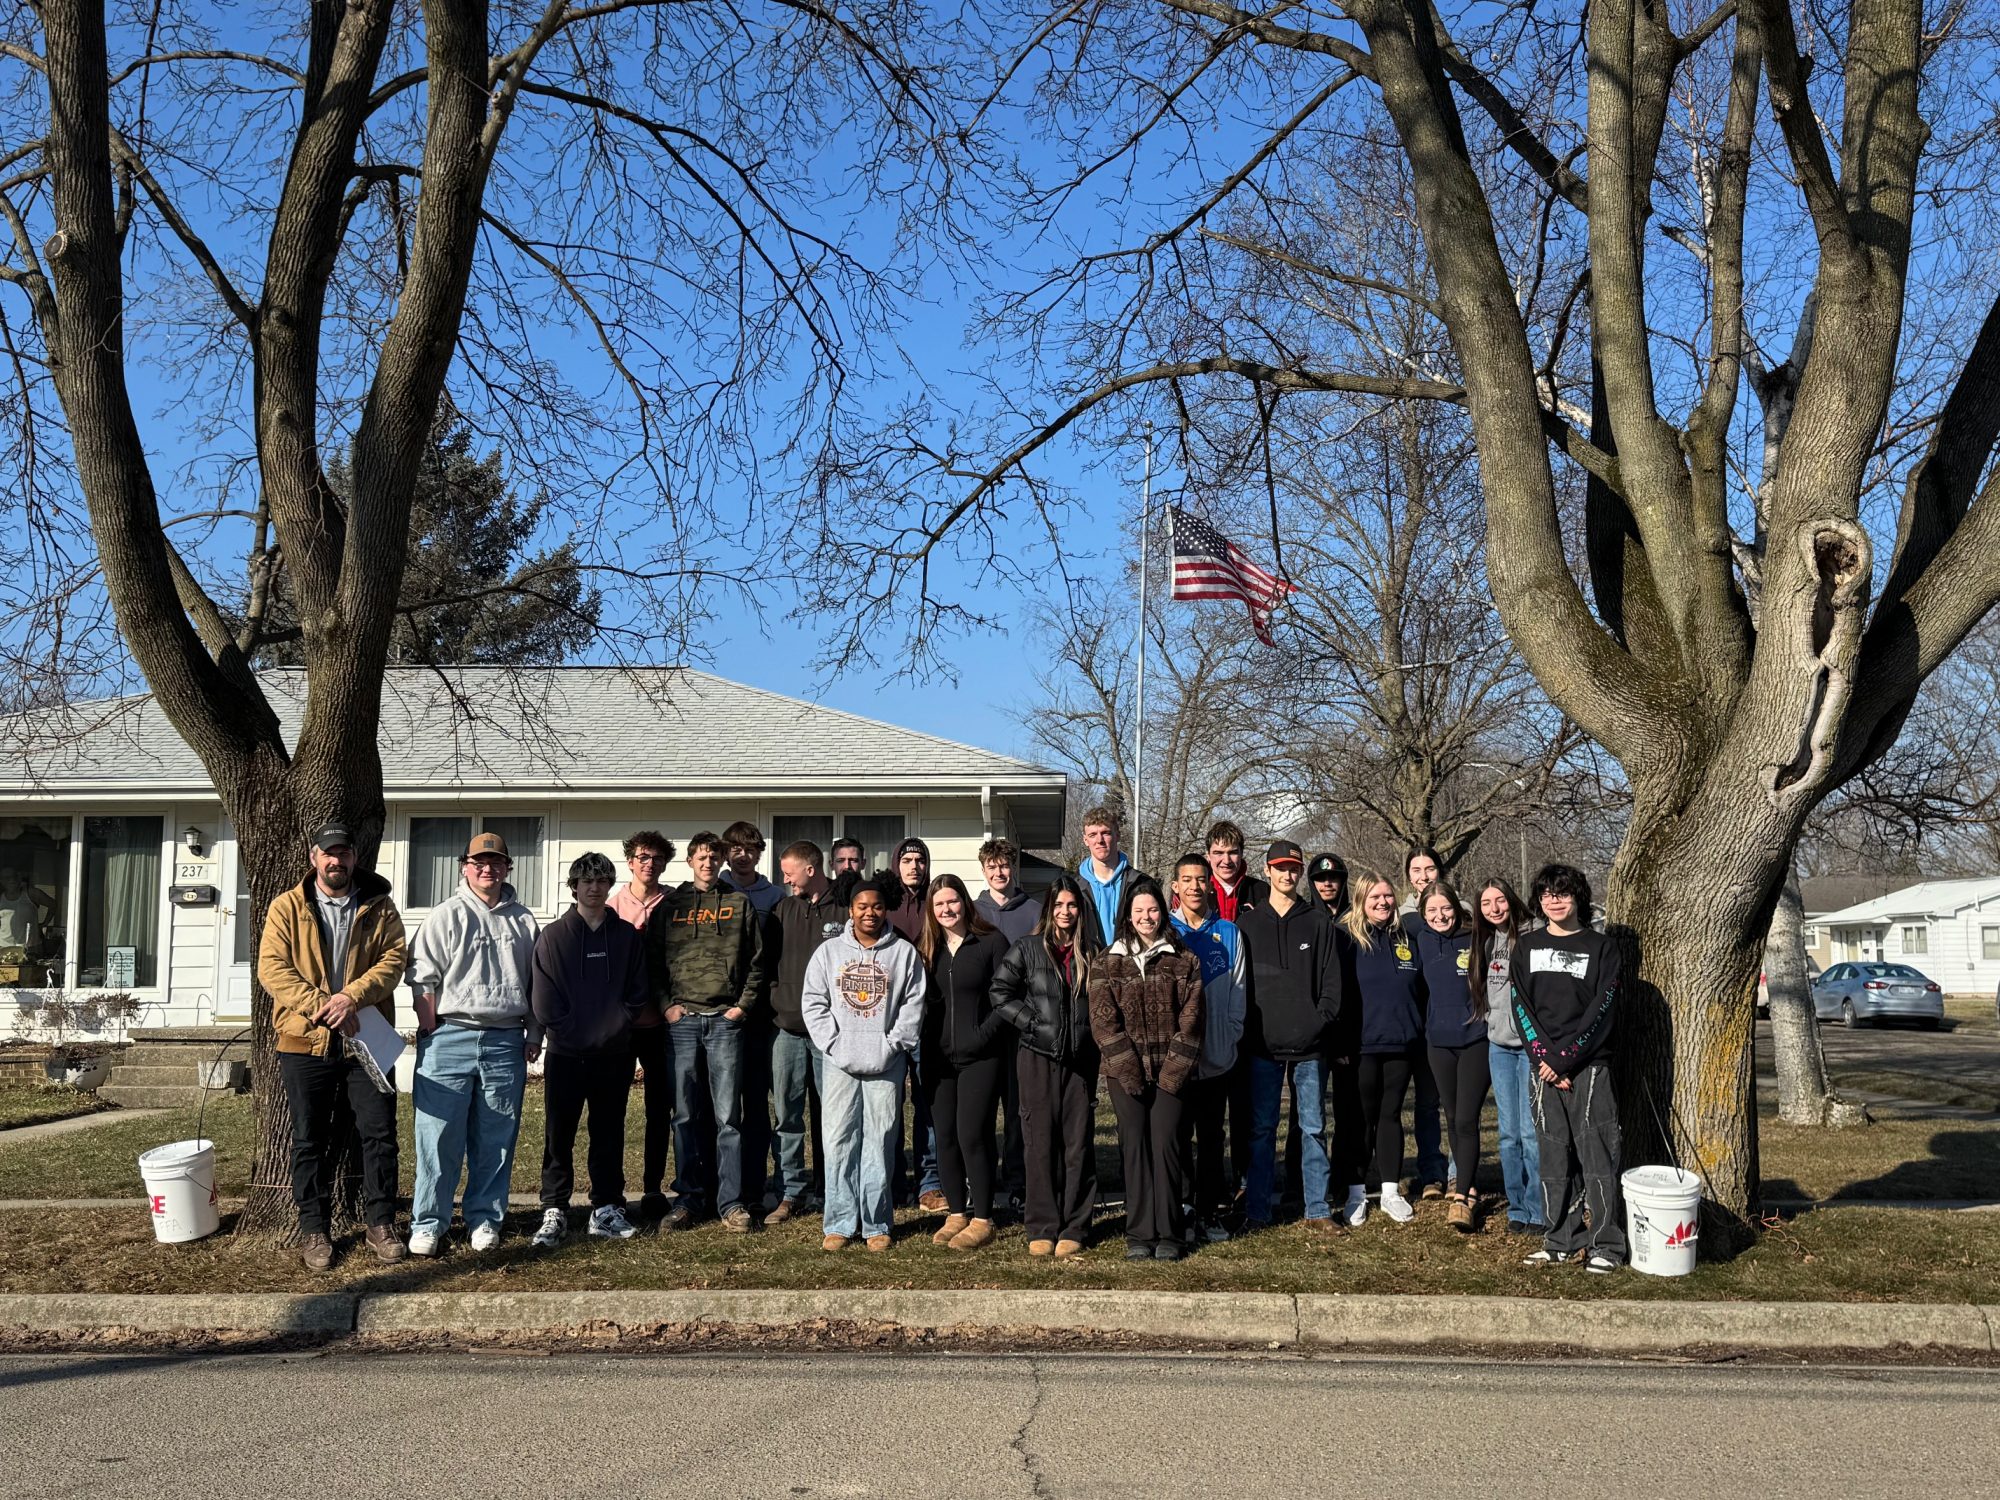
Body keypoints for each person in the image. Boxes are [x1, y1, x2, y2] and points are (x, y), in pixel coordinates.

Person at [257, 824, 409, 1270]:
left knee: (379, 1135)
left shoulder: (379, 906)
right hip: (304, 1040)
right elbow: (273, 969)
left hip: (368, 1039)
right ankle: (314, 1229)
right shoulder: (286, 907)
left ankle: (380, 1223)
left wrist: (351, 998)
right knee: (308, 1139)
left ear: (354, 857)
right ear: (313, 858)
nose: (336, 861)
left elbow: (393, 961)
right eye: (328, 854)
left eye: (343, 853)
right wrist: (324, 1006)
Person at [405, 830, 540, 1256]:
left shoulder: (523, 920)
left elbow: (538, 986)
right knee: (437, 1136)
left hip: (505, 1039)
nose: (488, 869)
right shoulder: (445, 915)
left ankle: (484, 1218)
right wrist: (430, 1027)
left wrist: (534, 1034)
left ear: (507, 868)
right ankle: (429, 1222)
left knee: (496, 1137)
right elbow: (421, 975)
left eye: (496, 862)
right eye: (479, 862)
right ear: (465, 867)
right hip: (449, 1036)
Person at [647, 831, 771, 1232]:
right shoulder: (672, 905)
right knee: (684, 1114)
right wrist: (667, 1006)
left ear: (720, 861)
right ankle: (688, 1198)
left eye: (713, 857)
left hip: (724, 1022)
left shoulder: (738, 904)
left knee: (727, 1117)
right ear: (690, 860)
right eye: (701, 856)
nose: (707, 863)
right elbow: (653, 961)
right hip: (682, 1024)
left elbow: (757, 961)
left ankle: (731, 1203)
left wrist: (742, 1008)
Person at [801, 876, 927, 1252]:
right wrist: (835, 1044)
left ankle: (876, 1223)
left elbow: (913, 1003)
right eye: (861, 906)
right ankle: (839, 1222)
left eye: (876, 906)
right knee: (838, 1140)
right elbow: (814, 1002)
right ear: (850, 910)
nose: (869, 913)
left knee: (880, 1140)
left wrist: (893, 1045)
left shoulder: (903, 954)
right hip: (839, 1062)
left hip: (885, 1063)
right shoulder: (828, 953)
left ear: (885, 908)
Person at [530, 853, 649, 1247]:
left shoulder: (627, 937)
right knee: (558, 1133)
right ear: (574, 887)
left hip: (613, 1055)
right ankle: (554, 1208)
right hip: (566, 1054)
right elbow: (545, 1002)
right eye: (586, 882)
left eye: (601, 881)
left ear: (609, 886)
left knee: (608, 1132)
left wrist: (609, 1031)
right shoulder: (553, 937)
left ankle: (606, 1208)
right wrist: (574, 1035)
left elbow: (636, 994)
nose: (594, 888)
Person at [1512, 863, 1626, 1272]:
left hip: (1589, 1066)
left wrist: (1565, 1059)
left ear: (1578, 896)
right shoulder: (1525, 948)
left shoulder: (1601, 947)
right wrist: (1544, 1058)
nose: (1553, 901)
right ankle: (1560, 1238)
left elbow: (1603, 1009)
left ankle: (1607, 1245)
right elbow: (1521, 1007)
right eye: (1545, 895)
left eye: (1561, 893)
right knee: (1553, 1157)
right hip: (1543, 1068)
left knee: (1597, 1157)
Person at [1089, 877, 1204, 1261]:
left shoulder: (1184, 960)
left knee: (1168, 1146)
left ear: (1163, 910)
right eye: (1138, 911)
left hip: (1172, 1072)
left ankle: (1170, 1232)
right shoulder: (1108, 962)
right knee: (1135, 1148)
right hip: (1126, 1075)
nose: (1146, 917)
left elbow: (1192, 1019)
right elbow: (1103, 1023)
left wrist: (1173, 1071)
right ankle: (1139, 1231)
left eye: (1152, 909)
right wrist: (1128, 1068)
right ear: (1128, 915)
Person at [1234, 841, 1343, 1231]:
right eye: (1280, 868)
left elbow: (1332, 985)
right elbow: (1238, 986)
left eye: (1294, 868)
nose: (1287, 874)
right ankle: (1258, 1210)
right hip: (1262, 1047)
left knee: (1313, 1128)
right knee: (1261, 1130)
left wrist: (1318, 1022)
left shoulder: (1317, 922)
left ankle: (1317, 1208)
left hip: (1310, 1047)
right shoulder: (1246, 925)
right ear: (1267, 871)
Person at [992, 874, 1103, 1257]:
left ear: (1080, 910)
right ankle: (1041, 1224)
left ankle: (1075, 1225)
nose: (1066, 912)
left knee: (1077, 1145)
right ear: (1049, 909)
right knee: (1039, 1143)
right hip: (1037, 1057)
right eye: (1059, 905)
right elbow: (999, 992)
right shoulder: (1027, 948)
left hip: (1081, 1060)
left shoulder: (1094, 951)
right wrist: (1030, 1023)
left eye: (1072, 905)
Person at [918, 873, 1012, 1250]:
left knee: (973, 1135)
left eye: (952, 901)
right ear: (931, 909)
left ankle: (983, 1217)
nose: (946, 909)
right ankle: (956, 1212)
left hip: (981, 1057)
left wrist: (981, 1035)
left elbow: (1007, 997)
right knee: (945, 1137)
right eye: (939, 904)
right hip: (938, 1060)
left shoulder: (990, 942)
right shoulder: (926, 948)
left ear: (965, 903)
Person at [767, 840, 855, 1222]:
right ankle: (791, 1191)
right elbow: (765, 961)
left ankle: (830, 1188)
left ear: (811, 868)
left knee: (831, 1116)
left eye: (790, 872)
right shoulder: (782, 910)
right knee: (787, 1115)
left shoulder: (844, 910)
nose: (785, 879)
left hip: (831, 1033)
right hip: (785, 1029)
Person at [1167, 854, 1245, 1243]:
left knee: (1212, 1138)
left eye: (1201, 880)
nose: (1195, 886)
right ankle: (1183, 1208)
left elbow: (1239, 992)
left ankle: (1210, 1210)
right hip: (1176, 1060)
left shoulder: (1229, 932)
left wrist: (1229, 1035)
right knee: (1178, 1136)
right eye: (1187, 880)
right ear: (1175, 887)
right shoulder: (1163, 931)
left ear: (1209, 884)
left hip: (1216, 1056)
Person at [1343, 871, 1425, 1226]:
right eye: (1375, 897)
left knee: (1390, 1116)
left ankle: (1390, 1191)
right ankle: (1356, 1193)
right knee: (1359, 1119)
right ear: (1361, 900)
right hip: (1360, 1045)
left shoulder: (1408, 935)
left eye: (1388, 896)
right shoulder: (1346, 939)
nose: (1383, 902)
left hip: (1402, 1041)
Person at [611, 830, 677, 1218]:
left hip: (662, 1024)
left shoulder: (673, 903)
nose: (648, 863)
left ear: (664, 863)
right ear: (630, 862)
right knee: (613, 1109)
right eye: (642, 857)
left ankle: (653, 1187)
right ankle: (614, 1189)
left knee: (660, 1109)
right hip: (622, 1026)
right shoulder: (612, 905)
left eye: (656, 858)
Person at [1416, 881, 1488, 1233]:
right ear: (1422, 914)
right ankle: (1467, 1183)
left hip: (1475, 1038)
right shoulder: (1421, 939)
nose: (1439, 915)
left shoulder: (1476, 937)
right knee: (1450, 1114)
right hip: (1438, 1041)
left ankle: (1463, 1197)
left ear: (1456, 909)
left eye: (1445, 908)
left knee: (1466, 1119)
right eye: (1431, 910)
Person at [974, 837, 1039, 1215]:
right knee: (981, 1107)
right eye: (993, 867)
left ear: (1014, 868)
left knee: (1017, 1108)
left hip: (1021, 1024)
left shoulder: (1034, 911)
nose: (1000, 873)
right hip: (983, 1023)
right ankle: (981, 1178)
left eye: (1005, 866)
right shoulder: (973, 910)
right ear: (984, 871)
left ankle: (1017, 1181)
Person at [719, 820, 781, 1212]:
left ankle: (756, 1188)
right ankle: (723, 1187)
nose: (743, 855)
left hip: (760, 1015)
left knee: (756, 1103)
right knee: (722, 1108)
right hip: (718, 1012)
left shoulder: (774, 896)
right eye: (736, 849)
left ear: (760, 853)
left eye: (751, 849)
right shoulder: (714, 890)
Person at [1476, 878, 1543, 1235]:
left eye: (1499, 900)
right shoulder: (1489, 942)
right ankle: (1517, 1207)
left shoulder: (1534, 935)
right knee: (1507, 1134)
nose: (1494, 908)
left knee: (1531, 1133)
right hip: (1499, 1047)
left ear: (1511, 899)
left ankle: (1537, 1209)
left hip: (1530, 1049)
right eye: (1486, 904)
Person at [885, 836, 943, 1209]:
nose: (913, 866)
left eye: (919, 860)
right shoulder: (884, 904)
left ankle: (929, 1182)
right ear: (896, 864)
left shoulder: (937, 903)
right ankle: (891, 1180)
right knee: (888, 1103)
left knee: (928, 1105)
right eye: (906, 860)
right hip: (888, 1018)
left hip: (929, 1017)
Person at [1399, 845, 1452, 1199]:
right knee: (1425, 1104)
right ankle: (1431, 1172)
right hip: (1412, 1020)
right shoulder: (1399, 916)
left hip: (1449, 1020)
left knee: (1455, 1103)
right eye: (1416, 870)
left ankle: (1460, 1175)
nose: (1423, 876)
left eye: (1429, 868)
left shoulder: (1456, 910)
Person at [1078, 805, 1144, 945]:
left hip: (1130, 963)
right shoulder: (1074, 888)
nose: (1099, 840)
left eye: (1106, 833)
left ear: (1117, 835)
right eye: (1092, 835)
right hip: (1088, 964)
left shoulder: (1140, 884)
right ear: (1085, 840)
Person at [1201, 821, 1269, 922]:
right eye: (1218, 853)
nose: (1226, 861)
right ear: (1208, 856)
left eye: (1233, 852)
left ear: (1241, 853)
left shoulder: (1262, 891)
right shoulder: (1197, 891)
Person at [719, 820, 786, 913]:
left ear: (758, 854)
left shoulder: (776, 896)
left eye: (749, 850)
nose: (743, 857)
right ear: (726, 854)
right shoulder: (714, 893)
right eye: (737, 851)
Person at [1307, 853, 1349, 917]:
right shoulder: (1304, 916)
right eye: (1321, 878)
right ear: (1313, 883)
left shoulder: (1357, 917)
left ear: (1342, 881)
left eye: (1333, 878)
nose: (1327, 884)